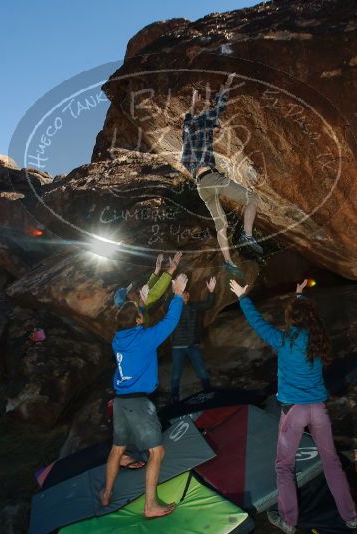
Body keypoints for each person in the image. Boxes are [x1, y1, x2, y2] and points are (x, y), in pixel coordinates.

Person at [228, 278, 357, 532]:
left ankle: (289, 521)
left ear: (292, 318)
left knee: (284, 466)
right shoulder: (317, 341)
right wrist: (300, 296)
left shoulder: (284, 340)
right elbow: (305, 316)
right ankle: (350, 516)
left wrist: (243, 298)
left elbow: (258, 323)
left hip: (293, 412)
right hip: (318, 409)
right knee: (331, 462)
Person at [100, 273, 190, 519]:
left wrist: (140, 304)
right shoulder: (145, 339)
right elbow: (169, 322)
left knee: (117, 450)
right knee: (156, 452)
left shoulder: (119, 339)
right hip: (138, 403)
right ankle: (150, 505)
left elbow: (130, 317)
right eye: (140, 316)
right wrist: (179, 294)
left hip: (119, 401)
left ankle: (106, 493)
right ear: (139, 320)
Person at [181, 72, 262, 278]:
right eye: (217, 128)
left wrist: (193, 103)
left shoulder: (188, 131)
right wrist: (228, 83)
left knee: (221, 225)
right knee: (252, 198)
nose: (218, 130)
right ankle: (248, 235)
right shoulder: (205, 125)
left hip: (201, 187)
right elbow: (218, 106)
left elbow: (188, 117)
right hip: (211, 179)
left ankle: (227, 261)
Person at [167, 276, 217, 403]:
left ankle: (208, 391)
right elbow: (165, 304)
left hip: (192, 345)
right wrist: (174, 291)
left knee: (201, 369)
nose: (187, 294)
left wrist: (211, 292)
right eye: (184, 292)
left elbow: (208, 304)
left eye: (188, 293)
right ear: (179, 295)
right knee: (176, 373)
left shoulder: (193, 306)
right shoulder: (173, 307)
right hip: (178, 346)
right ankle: (174, 396)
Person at [114, 252, 182, 326]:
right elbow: (155, 291)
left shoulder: (137, 306)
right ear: (127, 302)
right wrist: (171, 269)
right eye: (129, 293)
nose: (132, 291)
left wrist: (156, 271)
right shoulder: (138, 310)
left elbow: (149, 287)